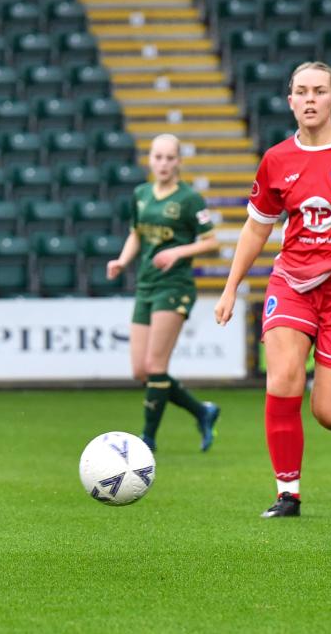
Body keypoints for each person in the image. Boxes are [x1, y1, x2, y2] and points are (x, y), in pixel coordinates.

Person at [214, 61, 331, 518]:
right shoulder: (277, 159)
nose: (311, 99)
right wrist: (230, 287)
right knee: (282, 378)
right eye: (302, 91)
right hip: (293, 280)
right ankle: (288, 493)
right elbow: (256, 229)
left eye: (320, 91)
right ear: (290, 101)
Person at [106, 134, 221, 452]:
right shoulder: (141, 194)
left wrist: (178, 252)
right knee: (140, 371)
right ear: (150, 159)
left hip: (175, 286)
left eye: (170, 158)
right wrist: (122, 260)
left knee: (156, 366)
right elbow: (135, 234)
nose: (164, 164)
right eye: (158, 157)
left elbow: (212, 243)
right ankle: (202, 411)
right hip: (147, 284)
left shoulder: (190, 200)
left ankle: (148, 440)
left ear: (179, 161)